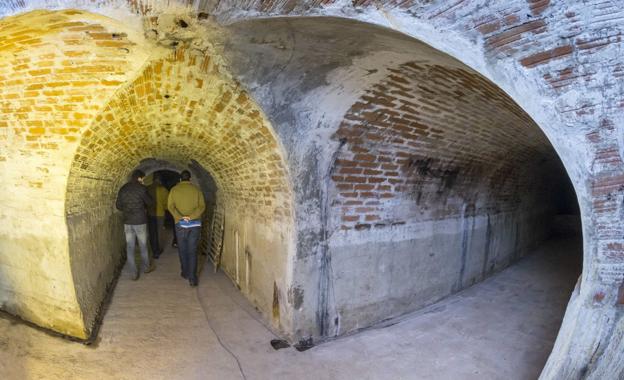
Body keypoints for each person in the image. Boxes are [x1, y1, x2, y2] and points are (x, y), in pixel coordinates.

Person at [168, 170, 205, 287]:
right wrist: (191, 216)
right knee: (192, 250)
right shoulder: (197, 190)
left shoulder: (174, 190)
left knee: (182, 249)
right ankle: (193, 278)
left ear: (180, 179)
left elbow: (170, 206)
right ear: (190, 179)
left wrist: (180, 217)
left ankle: (185, 272)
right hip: (195, 224)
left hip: (180, 224)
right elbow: (202, 206)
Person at [116, 169, 155, 280]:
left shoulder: (123, 188)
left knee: (130, 247)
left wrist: (128, 209)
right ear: (140, 178)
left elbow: (118, 206)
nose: (142, 180)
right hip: (140, 221)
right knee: (143, 245)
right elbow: (150, 202)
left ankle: (133, 274)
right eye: (142, 178)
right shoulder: (142, 188)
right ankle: (146, 267)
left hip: (127, 221)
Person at [147, 173, 169, 259]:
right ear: (160, 180)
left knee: (152, 232)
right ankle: (158, 249)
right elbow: (166, 204)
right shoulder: (163, 189)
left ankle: (153, 249)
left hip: (150, 213)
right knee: (159, 232)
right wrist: (164, 208)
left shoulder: (148, 188)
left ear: (153, 179)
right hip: (160, 214)